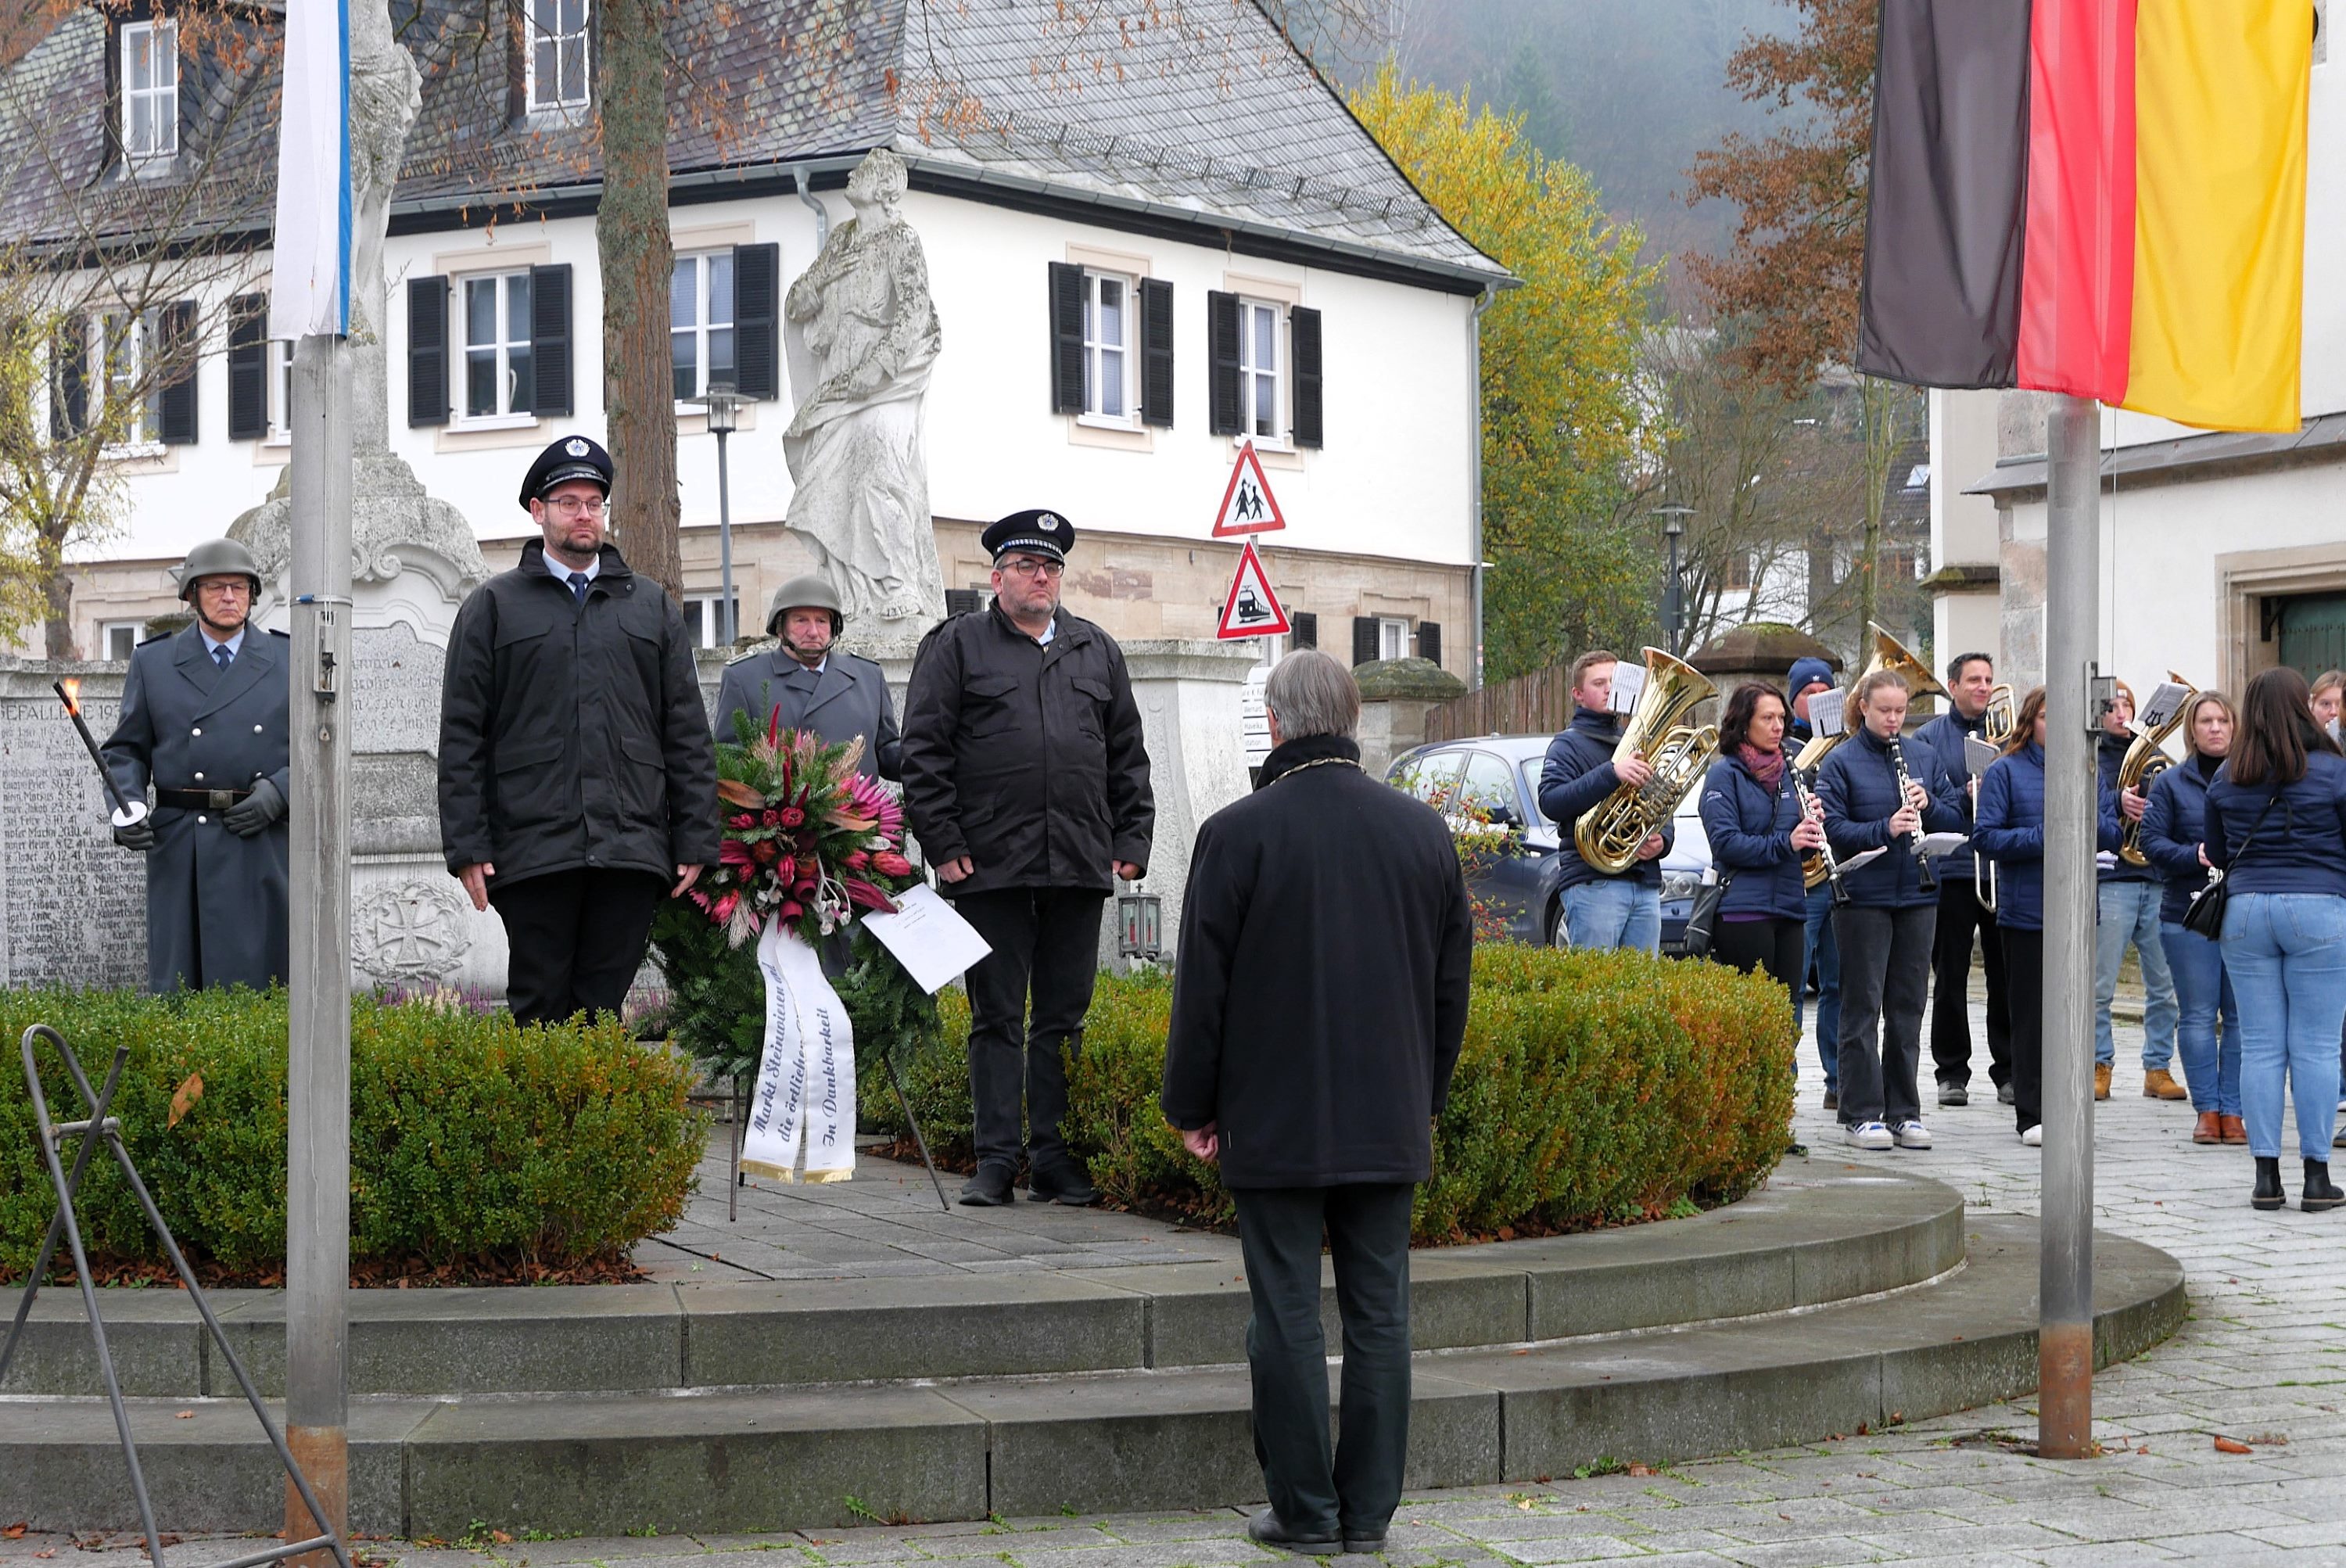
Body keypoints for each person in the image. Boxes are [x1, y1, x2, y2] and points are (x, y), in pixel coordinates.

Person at [1160, 650, 1472, 1559]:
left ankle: (1304, 1510)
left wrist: (1193, 1102)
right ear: (1352, 716)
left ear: (1280, 724)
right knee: (1382, 1313)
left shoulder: (1239, 830)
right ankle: (1368, 1513)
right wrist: (1428, 1091)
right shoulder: (1421, 831)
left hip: (1274, 1111)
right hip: (1389, 1109)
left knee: (1286, 1310)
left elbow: (1201, 991)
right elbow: (1452, 987)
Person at [901, 508, 1154, 1207]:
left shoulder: (1096, 650)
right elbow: (923, 753)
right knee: (997, 1017)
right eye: (1026, 566)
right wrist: (944, 845)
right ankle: (994, 1160)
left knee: (1063, 1018)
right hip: (989, 867)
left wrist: (1132, 842)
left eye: (1051, 567)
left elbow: (1127, 757)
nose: (1041, 577)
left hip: (1077, 863)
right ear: (997, 576)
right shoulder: (958, 646)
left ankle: (1056, 1157)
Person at [437, 435, 720, 1028]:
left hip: (630, 847)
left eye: (593, 501)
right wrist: (467, 846)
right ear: (538, 511)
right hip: (534, 848)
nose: (584, 513)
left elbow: (686, 730)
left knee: (601, 1008)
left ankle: (594, 1121)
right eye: (568, 501)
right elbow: (464, 734)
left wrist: (696, 838)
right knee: (539, 1005)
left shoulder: (649, 607)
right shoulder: (492, 607)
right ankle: (538, 1123)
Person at [101, 537, 291, 993]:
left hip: (261, 842)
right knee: (184, 991)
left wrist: (282, 791)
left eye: (240, 587)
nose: (230, 597)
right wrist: (125, 808)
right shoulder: (155, 662)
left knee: (262, 988)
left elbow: (322, 752)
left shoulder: (289, 659)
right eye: (216, 587)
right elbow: (125, 751)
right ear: (191, 597)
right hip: (183, 845)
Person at [2203, 666, 2346, 1213]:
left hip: (2245, 911)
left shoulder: (2227, 776)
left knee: (2260, 1044)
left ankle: (2266, 1175)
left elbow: (2216, 853)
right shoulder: (2334, 771)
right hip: (2319, 908)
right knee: (2315, 1045)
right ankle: (2316, 1176)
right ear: (2303, 708)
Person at [1817, 669, 1964, 1151]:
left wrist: (1930, 806)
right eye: (1885, 711)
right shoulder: (1839, 763)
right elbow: (1834, 831)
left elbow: (1954, 815)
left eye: (1901, 711)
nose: (1894, 719)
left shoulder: (1924, 755)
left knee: (1907, 1009)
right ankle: (1861, 1112)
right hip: (1863, 899)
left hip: (1919, 896)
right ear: (1864, 707)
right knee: (1862, 1007)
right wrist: (1886, 826)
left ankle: (1904, 1111)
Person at [1971, 687, 2124, 1147]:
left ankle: (2072, 1109)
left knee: (2076, 1015)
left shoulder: (2089, 768)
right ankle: (2032, 1114)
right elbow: (1986, 838)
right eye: (2045, 716)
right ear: (2029, 722)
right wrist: (2047, 835)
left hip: (2078, 908)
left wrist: (2090, 826)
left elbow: (2113, 834)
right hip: (2027, 913)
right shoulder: (2005, 771)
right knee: (2033, 1018)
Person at [2140, 691, 2247, 1146]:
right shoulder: (2169, 783)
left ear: (2235, 727)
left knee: (2241, 1018)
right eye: (2206, 721)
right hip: (2187, 912)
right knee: (2199, 1015)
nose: (2216, 728)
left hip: (2244, 912)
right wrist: (2196, 854)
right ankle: (2207, 1110)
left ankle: (2235, 1111)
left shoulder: (2252, 780)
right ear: (2193, 730)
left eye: (2223, 720)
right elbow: (2151, 844)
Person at [1910, 651, 2011, 1107]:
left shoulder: (2009, 735)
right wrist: (1964, 792)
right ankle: (1951, 1072)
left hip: (2000, 867)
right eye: (1974, 680)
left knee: (2005, 975)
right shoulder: (1929, 738)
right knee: (1949, 975)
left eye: (1988, 680)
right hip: (1953, 868)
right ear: (1952, 685)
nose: (1983, 687)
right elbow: (1923, 797)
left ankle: (2009, 1070)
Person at [1536, 649, 1675, 953]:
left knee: (1642, 992)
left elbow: (1663, 806)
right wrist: (1612, 773)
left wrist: (1663, 841)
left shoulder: (1639, 741)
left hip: (1644, 882)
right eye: (1599, 683)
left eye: (1614, 681)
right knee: (1596, 988)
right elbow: (1551, 801)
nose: (1609, 688)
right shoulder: (1567, 745)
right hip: (1593, 882)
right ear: (1578, 694)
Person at [1699, 683, 1826, 1002]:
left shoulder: (1791, 773)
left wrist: (1810, 830)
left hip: (1790, 906)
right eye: (1767, 718)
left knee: (1787, 1011)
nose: (1778, 726)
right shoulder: (1724, 775)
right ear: (1743, 723)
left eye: (1782, 718)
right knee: (1753, 1010)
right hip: (1743, 910)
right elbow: (1726, 843)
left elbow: (1802, 849)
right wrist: (1788, 841)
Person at [713, 574, 901, 780]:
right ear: (780, 627)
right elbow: (727, 764)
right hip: (780, 811)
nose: (813, 632)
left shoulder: (868, 677)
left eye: (821, 621)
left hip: (858, 809)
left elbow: (887, 754)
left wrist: (932, 751)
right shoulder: (744, 678)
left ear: (833, 628)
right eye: (801, 620)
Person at [2095, 681, 2182, 1102]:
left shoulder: (2157, 758)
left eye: (2126, 704)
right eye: (2110, 707)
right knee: (2101, 984)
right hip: (2113, 881)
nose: (2120, 713)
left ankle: (2158, 1068)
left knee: (2164, 985)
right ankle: (2099, 1063)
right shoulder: (2087, 755)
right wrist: (2117, 801)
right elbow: (2075, 804)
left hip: (2155, 880)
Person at [1787, 655, 1843, 1107]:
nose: (1818, 697)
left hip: (1841, 874)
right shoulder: (1781, 746)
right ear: (1794, 700)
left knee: (1840, 983)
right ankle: (1782, 1082)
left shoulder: (1846, 745)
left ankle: (1839, 1081)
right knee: (1791, 988)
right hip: (1802, 880)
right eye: (1809, 692)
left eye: (1826, 690)